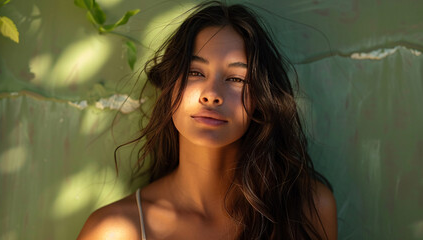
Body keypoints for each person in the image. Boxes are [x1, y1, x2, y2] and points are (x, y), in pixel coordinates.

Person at [77, 1, 337, 239]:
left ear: (260, 98)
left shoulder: (308, 209)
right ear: (169, 86)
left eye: (236, 79)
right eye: (195, 72)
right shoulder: (115, 231)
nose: (212, 95)